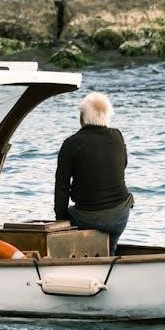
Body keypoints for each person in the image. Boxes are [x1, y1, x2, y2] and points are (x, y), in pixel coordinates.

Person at [55, 92, 133, 256]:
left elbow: (61, 187)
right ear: (107, 116)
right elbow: (123, 165)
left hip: (86, 218)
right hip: (120, 215)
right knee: (110, 248)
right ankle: (110, 256)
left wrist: (61, 222)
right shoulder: (118, 136)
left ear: (82, 117)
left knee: (71, 214)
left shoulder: (71, 143)